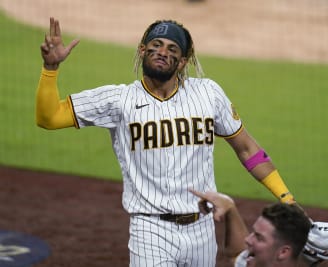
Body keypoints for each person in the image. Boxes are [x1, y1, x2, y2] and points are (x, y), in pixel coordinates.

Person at [36, 17, 300, 267]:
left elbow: (247, 149)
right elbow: (49, 118)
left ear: (183, 61)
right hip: (150, 230)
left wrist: (287, 199)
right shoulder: (118, 101)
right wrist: (51, 69)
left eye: (172, 48)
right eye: (156, 45)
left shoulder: (208, 93)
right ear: (142, 51)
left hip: (202, 230)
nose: (163, 51)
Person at [189, 189, 312, 267]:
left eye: (259, 237)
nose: (247, 239)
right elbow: (236, 254)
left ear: (283, 252)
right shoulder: (257, 263)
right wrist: (230, 208)